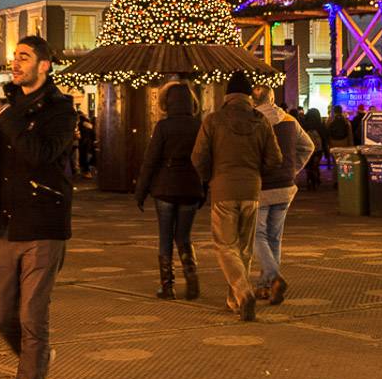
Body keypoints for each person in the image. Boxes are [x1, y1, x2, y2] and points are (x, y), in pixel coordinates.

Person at [0, 36, 77, 379]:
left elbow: (40, 153)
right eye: (14, 57)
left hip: (43, 222)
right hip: (3, 224)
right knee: (1, 313)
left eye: (24, 57)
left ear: (45, 66)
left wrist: (3, 114)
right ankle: (36, 358)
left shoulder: (61, 111)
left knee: (32, 316)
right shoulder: (5, 109)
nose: (15, 63)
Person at [191, 72, 282, 322]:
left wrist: (211, 177)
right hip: (252, 191)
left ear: (228, 95)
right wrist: (256, 172)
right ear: (248, 96)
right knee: (243, 247)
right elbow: (275, 159)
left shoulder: (213, 120)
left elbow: (198, 157)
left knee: (225, 246)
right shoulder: (260, 121)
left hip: (223, 191)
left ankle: (243, 293)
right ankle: (234, 300)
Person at [134, 81, 204, 300]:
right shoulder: (198, 126)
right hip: (190, 186)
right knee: (183, 235)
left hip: (164, 187)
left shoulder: (163, 127)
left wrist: (141, 191)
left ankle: (167, 286)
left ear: (168, 103)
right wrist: (204, 188)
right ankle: (192, 282)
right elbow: (205, 159)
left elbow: (150, 160)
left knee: (165, 236)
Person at [252, 84, 313, 304]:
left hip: (262, 186)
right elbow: (308, 146)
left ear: (253, 101)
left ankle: (274, 277)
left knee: (256, 235)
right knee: (274, 238)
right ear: (272, 98)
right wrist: (293, 168)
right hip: (286, 186)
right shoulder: (289, 120)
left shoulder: (254, 122)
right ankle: (264, 286)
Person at [301, 107, 325, 189]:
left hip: (307, 149)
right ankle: (316, 178)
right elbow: (324, 138)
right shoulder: (320, 125)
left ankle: (309, 180)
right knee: (315, 165)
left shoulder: (305, 125)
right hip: (318, 150)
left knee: (309, 165)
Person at [76, 108, 97, 180]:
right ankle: (86, 172)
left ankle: (86, 172)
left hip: (84, 141)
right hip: (86, 141)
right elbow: (92, 129)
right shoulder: (84, 122)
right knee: (85, 156)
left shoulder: (81, 122)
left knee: (84, 157)